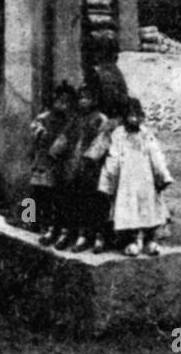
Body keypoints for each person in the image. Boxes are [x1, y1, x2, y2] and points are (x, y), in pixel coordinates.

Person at [99, 97, 172, 257]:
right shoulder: (119, 135)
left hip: (146, 179)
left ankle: (149, 240)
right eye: (130, 115)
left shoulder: (146, 134)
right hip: (127, 181)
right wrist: (108, 181)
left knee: (149, 208)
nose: (134, 119)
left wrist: (162, 176)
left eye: (137, 115)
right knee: (129, 210)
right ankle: (131, 241)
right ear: (125, 117)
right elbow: (113, 157)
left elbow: (156, 155)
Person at [63, 83, 112, 253]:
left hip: (93, 168)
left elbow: (102, 141)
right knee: (76, 200)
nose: (84, 102)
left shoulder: (100, 119)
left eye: (88, 98)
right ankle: (77, 234)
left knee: (94, 201)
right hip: (75, 165)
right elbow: (65, 137)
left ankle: (97, 236)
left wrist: (90, 158)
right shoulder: (76, 118)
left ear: (95, 100)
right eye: (81, 98)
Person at [30, 82, 77, 247]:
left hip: (61, 164)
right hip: (44, 162)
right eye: (59, 100)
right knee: (39, 194)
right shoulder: (45, 118)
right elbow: (35, 129)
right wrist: (40, 132)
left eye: (67, 101)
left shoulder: (71, 121)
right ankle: (36, 222)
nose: (62, 104)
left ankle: (57, 228)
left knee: (59, 197)